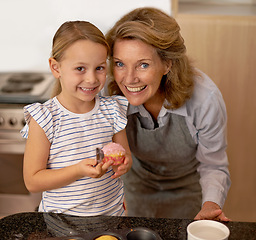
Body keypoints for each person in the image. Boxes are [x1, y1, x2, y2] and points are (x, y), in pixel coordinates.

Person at [105, 7, 231, 221]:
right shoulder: (107, 92)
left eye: (143, 65)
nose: (129, 79)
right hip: (135, 187)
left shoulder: (204, 99)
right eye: (119, 64)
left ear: (167, 64)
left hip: (188, 190)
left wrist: (211, 205)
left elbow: (213, 164)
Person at [21, 21, 131, 216]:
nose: (91, 79)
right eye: (80, 68)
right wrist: (78, 170)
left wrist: (123, 163)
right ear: (56, 68)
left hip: (112, 217)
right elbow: (32, 181)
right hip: (61, 224)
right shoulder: (45, 119)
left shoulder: (113, 109)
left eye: (99, 68)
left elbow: (125, 156)